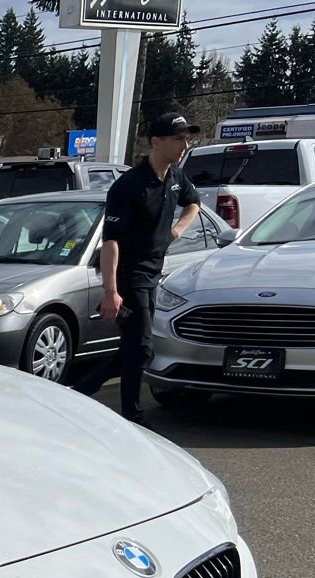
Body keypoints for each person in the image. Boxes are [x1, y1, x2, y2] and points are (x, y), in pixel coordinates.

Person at [75, 112, 202, 424]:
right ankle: (132, 415)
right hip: (128, 276)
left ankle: (78, 393)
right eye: (178, 138)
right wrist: (110, 291)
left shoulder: (175, 177)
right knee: (142, 347)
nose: (184, 145)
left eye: (187, 139)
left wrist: (176, 231)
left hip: (152, 273)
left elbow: (193, 202)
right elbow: (111, 242)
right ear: (155, 142)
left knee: (134, 347)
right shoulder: (128, 186)